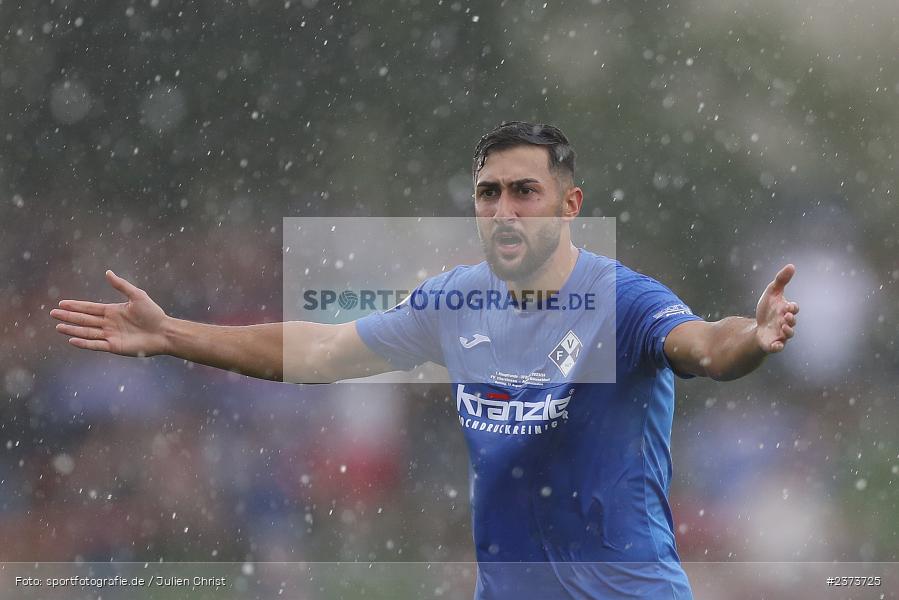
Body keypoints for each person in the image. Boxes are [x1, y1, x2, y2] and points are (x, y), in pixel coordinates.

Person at [50, 121, 799, 599]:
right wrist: (175, 333)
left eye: (524, 192)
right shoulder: (455, 302)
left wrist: (751, 339)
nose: (503, 208)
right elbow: (322, 349)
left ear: (570, 206)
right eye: (488, 192)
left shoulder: (619, 299)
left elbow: (702, 344)